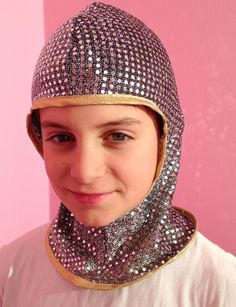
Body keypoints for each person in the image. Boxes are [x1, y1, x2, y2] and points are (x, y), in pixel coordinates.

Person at [0, 2, 235, 306]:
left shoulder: (219, 288)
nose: (84, 172)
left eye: (118, 136)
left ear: (166, 139)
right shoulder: (9, 273)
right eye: (61, 137)